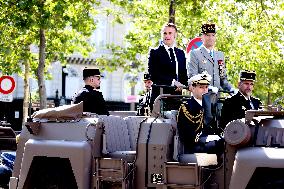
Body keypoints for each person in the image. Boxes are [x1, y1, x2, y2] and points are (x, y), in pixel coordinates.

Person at [177, 73, 223, 153]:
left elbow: (215, 126)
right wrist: (205, 138)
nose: (205, 90)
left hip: (210, 140)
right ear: (193, 88)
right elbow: (186, 135)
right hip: (195, 145)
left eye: (206, 87)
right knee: (220, 145)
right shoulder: (186, 107)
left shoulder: (210, 105)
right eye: (201, 87)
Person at [148, 23, 188, 108]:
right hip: (160, 97)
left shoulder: (180, 53)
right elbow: (154, 75)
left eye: (170, 33)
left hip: (177, 97)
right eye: (165, 33)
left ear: (175, 35)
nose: (167, 36)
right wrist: (173, 83)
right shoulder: (154, 53)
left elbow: (184, 74)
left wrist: (183, 84)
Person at [187, 23, 234, 93]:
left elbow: (223, 79)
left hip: (217, 100)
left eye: (213, 35)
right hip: (201, 98)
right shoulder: (195, 54)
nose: (211, 38)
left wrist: (231, 89)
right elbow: (193, 78)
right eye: (207, 35)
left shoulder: (220, 55)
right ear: (202, 37)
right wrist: (208, 87)